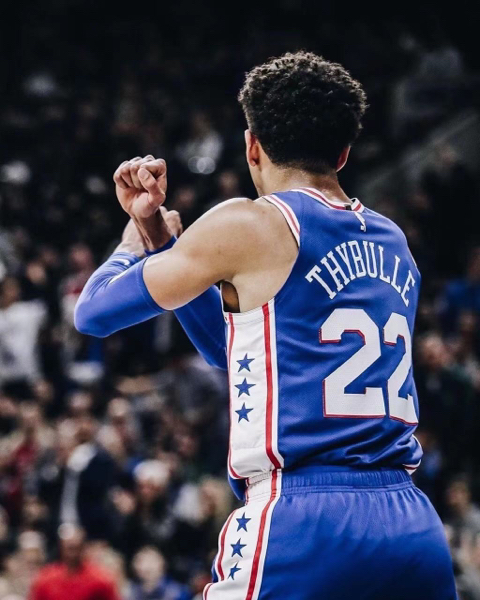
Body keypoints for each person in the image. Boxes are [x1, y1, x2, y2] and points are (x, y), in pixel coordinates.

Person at [74, 52, 457, 599]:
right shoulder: (393, 240)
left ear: (252, 145)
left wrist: (131, 245)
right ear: (343, 154)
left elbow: (92, 312)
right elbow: (233, 353)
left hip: (302, 519)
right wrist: (163, 240)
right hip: (410, 524)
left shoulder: (251, 222)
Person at [30, 524, 120, 600]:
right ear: (61, 548)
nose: (72, 553)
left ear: (83, 547)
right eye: (69, 548)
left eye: (76, 548)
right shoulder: (46, 579)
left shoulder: (100, 579)